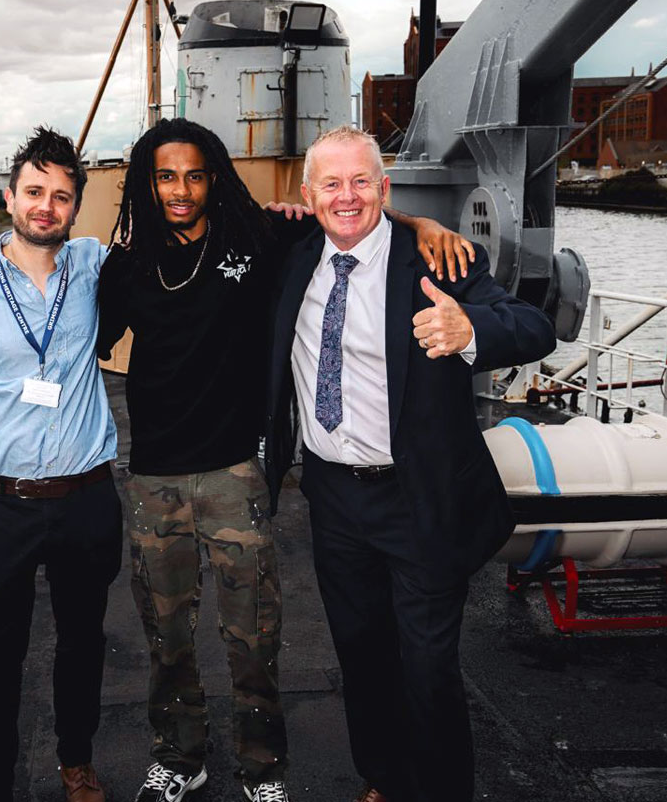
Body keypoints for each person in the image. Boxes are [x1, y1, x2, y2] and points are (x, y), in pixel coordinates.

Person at [97, 118, 473, 802]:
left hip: (236, 471)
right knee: (167, 632)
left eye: (193, 174)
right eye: (164, 176)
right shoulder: (125, 266)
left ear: (213, 177)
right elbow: (83, 340)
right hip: (152, 474)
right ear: (146, 185)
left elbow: (351, 216)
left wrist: (419, 224)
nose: (180, 190)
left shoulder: (257, 238)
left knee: (252, 635)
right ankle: (179, 758)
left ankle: (261, 768)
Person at [263, 126, 557, 802]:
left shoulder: (438, 262)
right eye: (330, 184)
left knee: (427, 666)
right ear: (307, 196)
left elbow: (535, 326)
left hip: (419, 497)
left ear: (384, 189)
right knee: (362, 657)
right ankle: (383, 779)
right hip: (333, 496)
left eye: (362, 181)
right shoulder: (291, 253)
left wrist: (471, 331)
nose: (347, 196)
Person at [0, 126, 119, 802]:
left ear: (74, 208)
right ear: (10, 197)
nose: (46, 206)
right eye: (34, 191)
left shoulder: (94, 264)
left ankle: (76, 761)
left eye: (62, 196)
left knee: (82, 643)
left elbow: (177, 239)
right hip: (3, 502)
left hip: (86, 494)